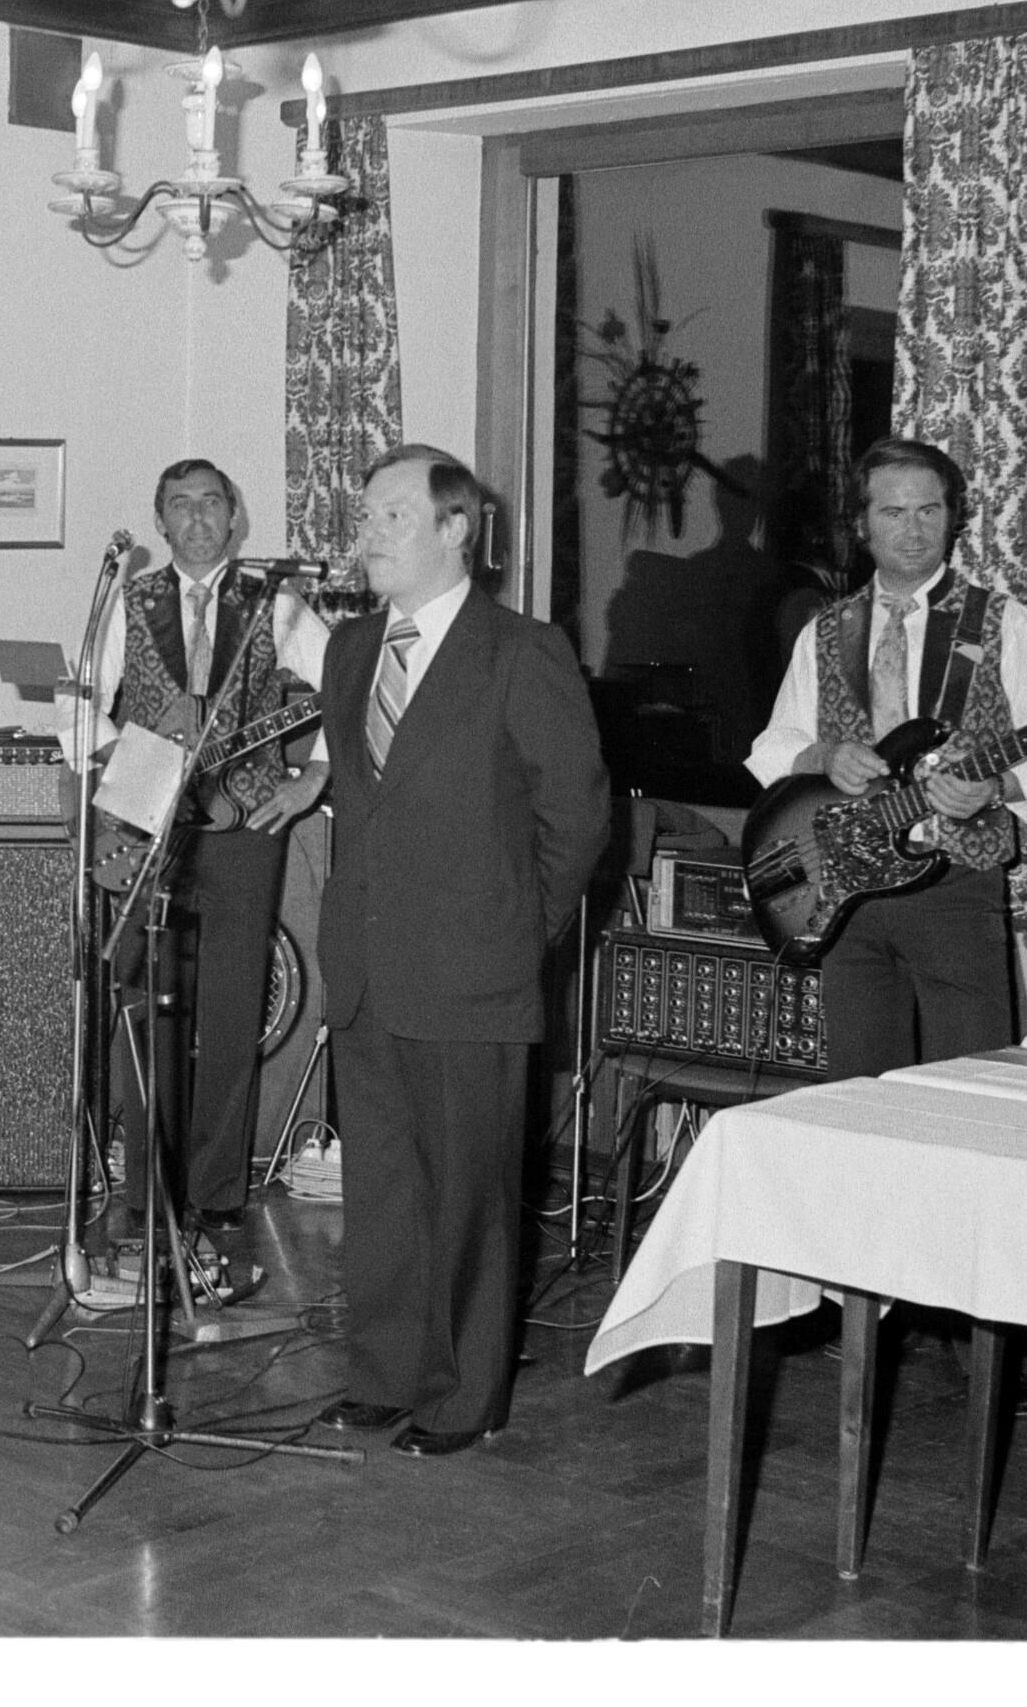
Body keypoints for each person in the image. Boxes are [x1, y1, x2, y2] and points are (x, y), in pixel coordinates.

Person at [312, 445, 609, 1458]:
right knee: (384, 1186)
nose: (367, 535)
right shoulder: (351, 649)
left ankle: (461, 1395)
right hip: (366, 966)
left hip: (474, 970)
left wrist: (514, 934)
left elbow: (577, 820)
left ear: (456, 529)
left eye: (391, 516)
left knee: (470, 1195)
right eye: (364, 516)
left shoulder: (522, 652)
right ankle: (386, 1373)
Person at [745, 439, 1027, 1077]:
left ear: (952, 518)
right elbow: (774, 746)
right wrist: (825, 755)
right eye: (894, 513)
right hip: (847, 897)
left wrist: (996, 787)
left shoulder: (1003, 622)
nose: (914, 530)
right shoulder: (826, 631)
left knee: (968, 1086)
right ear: (862, 525)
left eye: (929, 511)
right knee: (860, 1090)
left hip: (956, 889)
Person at [70, 458, 329, 1243]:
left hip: (247, 829)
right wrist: (130, 764)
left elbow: (352, 689)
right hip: (149, 832)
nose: (197, 518)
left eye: (211, 502)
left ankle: (217, 1192)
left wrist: (315, 778)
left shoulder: (275, 603)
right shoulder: (129, 601)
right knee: (146, 1006)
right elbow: (77, 705)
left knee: (232, 1007)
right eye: (180, 505)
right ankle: (148, 1188)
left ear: (234, 515)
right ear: (160, 521)